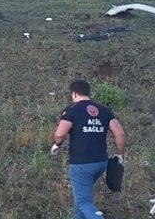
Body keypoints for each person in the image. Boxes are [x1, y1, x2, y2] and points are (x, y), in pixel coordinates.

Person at [51, 80, 127, 219]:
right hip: (101, 163)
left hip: (81, 164)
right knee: (80, 199)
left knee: (84, 203)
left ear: (74, 93)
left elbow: (60, 134)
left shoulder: (72, 110)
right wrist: (119, 155)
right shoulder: (104, 110)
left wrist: (56, 145)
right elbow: (120, 134)